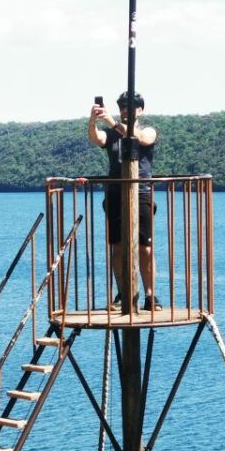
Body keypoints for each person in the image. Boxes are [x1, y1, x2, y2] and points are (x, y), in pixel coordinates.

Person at [88, 91, 161, 311]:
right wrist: (93, 120)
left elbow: (141, 138)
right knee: (118, 248)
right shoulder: (111, 134)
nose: (125, 111)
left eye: (130, 107)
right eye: (122, 107)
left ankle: (150, 296)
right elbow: (96, 138)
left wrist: (111, 121)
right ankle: (123, 292)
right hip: (115, 195)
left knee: (145, 248)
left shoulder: (148, 131)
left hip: (141, 194)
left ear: (141, 110)